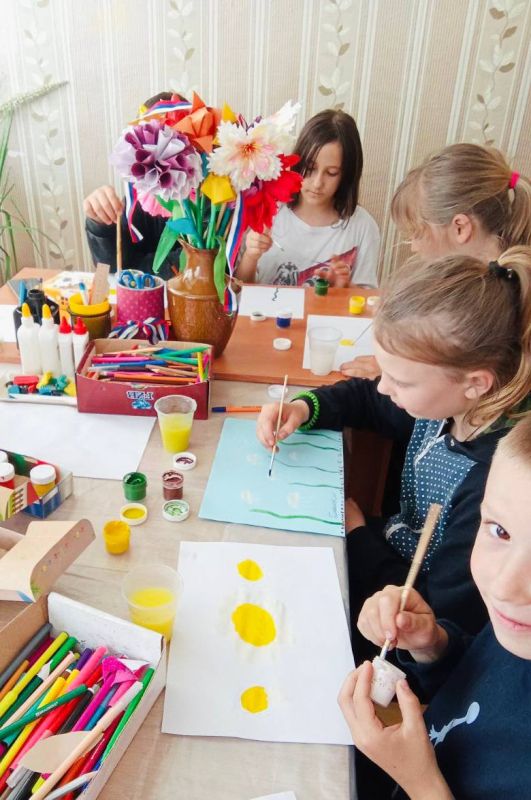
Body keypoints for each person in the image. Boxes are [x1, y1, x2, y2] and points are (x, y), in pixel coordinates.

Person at [256, 247, 531, 647]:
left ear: (475, 383)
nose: (385, 387)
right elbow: (368, 398)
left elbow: (435, 612)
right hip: (385, 556)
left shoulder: (494, 484)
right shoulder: (446, 403)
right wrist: (304, 408)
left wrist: (358, 535)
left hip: (402, 622)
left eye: (400, 381)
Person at [339, 412, 531, 800]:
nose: (504, 586)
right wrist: (433, 647)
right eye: (500, 531)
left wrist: (422, 782)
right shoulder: (517, 628)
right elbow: (479, 682)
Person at [341, 143, 531, 379]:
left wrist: (400, 373)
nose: (414, 247)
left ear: (460, 227)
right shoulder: (485, 282)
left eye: (417, 233)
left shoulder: (492, 310)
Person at [236, 109, 380, 288]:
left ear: (347, 175)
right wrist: (251, 255)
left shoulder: (362, 226)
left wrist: (345, 288)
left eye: (331, 173)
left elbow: (367, 299)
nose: (318, 183)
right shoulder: (269, 209)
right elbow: (237, 290)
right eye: (310, 169)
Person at [83, 92, 185, 281]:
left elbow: (193, 270)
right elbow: (110, 269)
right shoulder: (137, 198)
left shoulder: (211, 206)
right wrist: (100, 225)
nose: (162, 160)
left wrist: (135, 267)